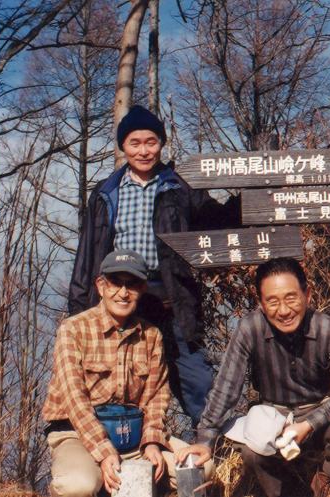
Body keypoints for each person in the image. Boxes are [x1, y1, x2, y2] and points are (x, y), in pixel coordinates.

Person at [67, 105, 237, 426]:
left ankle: (212, 445)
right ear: (123, 146)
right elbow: (88, 255)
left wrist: (251, 202)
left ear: (161, 144)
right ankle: (131, 448)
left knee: (197, 381)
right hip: (123, 300)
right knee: (123, 382)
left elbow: (217, 221)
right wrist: (78, 311)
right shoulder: (106, 193)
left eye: (151, 142)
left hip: (172, 299)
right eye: (135, 143)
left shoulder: (179, 187)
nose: (143, 151)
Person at [177, 258, 330, 497]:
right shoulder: (250, 328)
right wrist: (205, 439)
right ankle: (285, 491)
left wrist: (309, 424)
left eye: (291, 298)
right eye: (272, 301)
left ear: (307, 295)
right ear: (261, 303)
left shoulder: (328, 329)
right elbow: (226, 389)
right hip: (272, 418)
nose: (283, 311)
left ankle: (327, 484)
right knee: (251, 451)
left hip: (319, 416)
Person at [42, 249, 204, 497]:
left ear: (142, 289)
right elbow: (75, 400)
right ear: (101, 286)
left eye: (132, 284)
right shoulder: (73, 329)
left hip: (133, 437)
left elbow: (156, 396)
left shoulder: (151, 335)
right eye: (116, 283)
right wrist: (103, 450)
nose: (123, 293)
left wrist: (152, 441)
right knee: (78, 485)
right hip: (77, 434)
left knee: (198, 468)